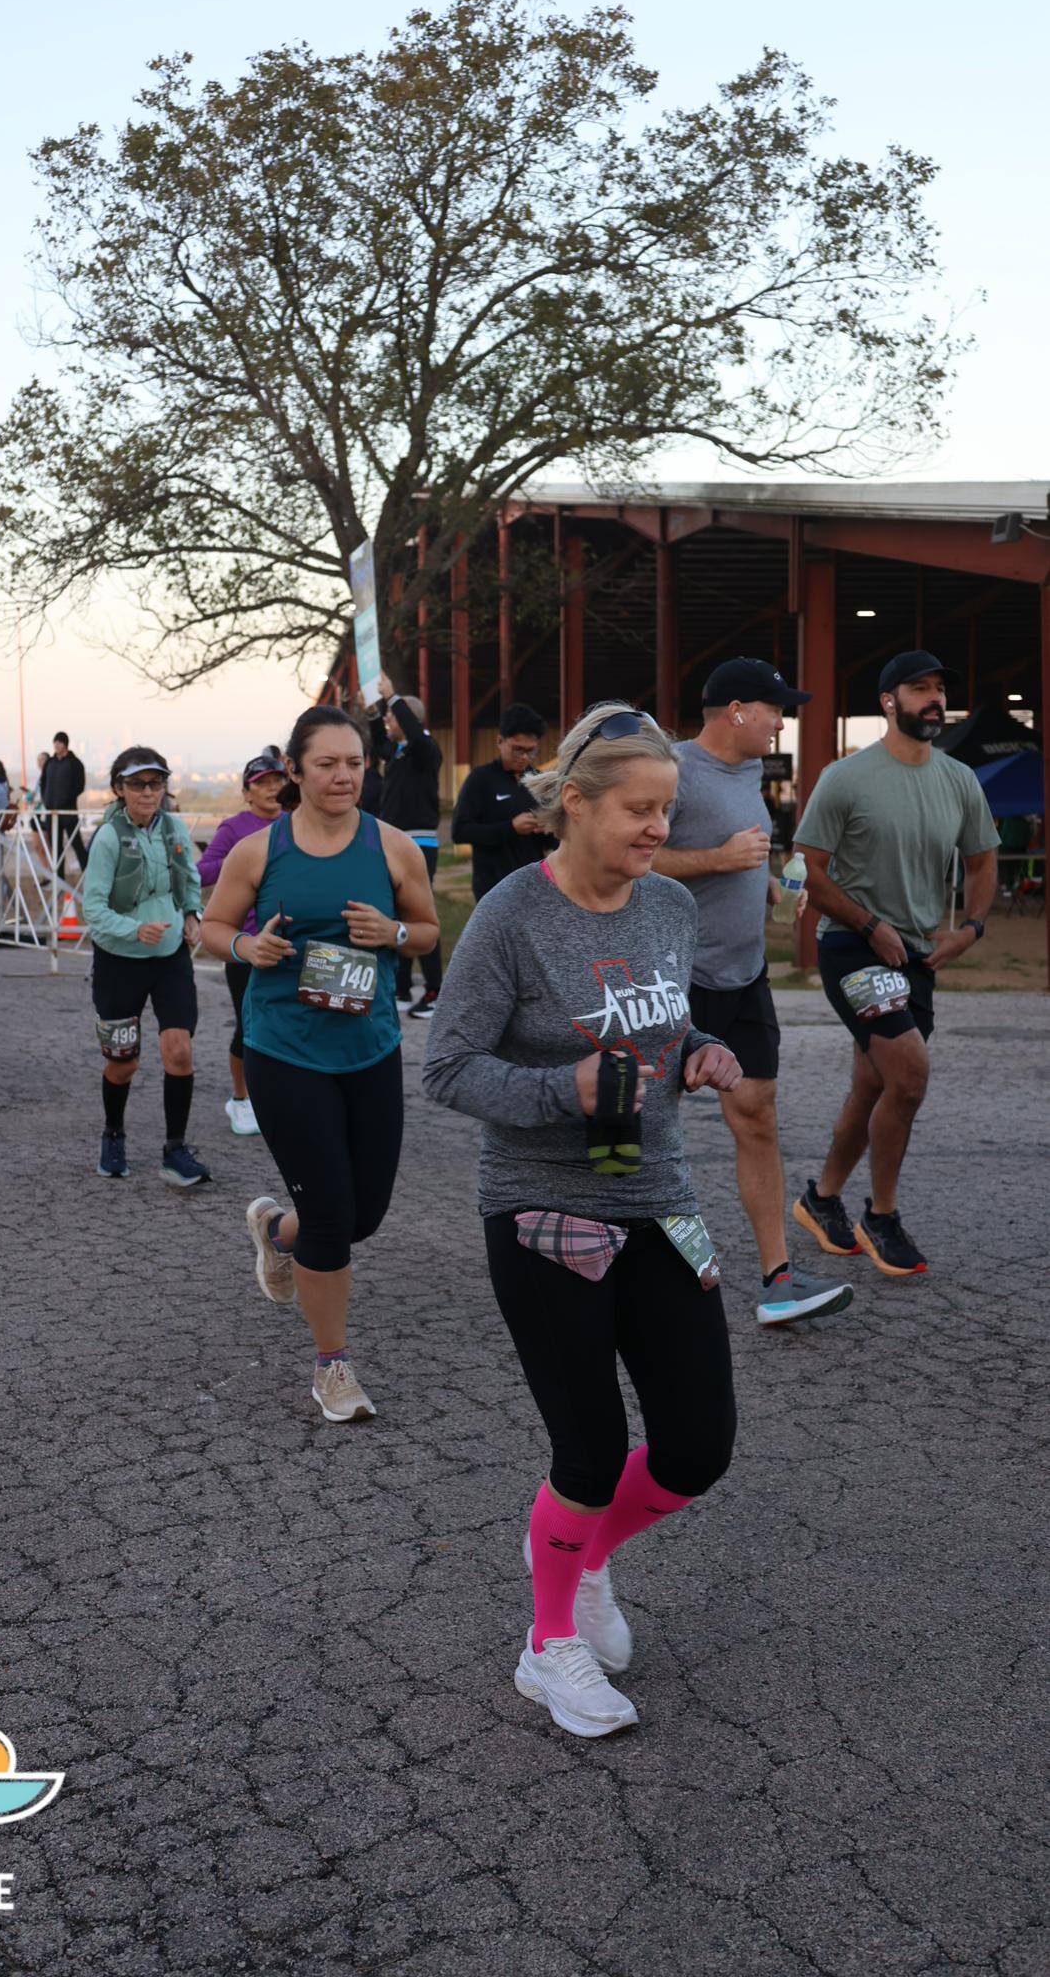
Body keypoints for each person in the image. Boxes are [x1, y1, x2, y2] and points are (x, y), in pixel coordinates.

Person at [423, 701, 742, 1738]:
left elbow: (664, 1021)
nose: (658, 828)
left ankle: (584, 1555)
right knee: (590, 1450)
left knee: (697, 1445)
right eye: (638, 809)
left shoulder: (668, 907)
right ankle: (547, 1641)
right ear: (575, 803)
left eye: (666, 809)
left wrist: (701, 1051)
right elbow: (447, 1067)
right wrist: (561, 1089)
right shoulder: (512, 915)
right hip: (542, 1207)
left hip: (658, 1197)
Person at [201, 706, 440, 1422]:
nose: (344, 776)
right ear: (295, 771)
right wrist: (247, 948)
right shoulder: (259, 852)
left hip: (369, 1050)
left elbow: (428, 931)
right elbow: (213, 927)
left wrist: (394, 933)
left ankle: (278, 1232)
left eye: (355, 763)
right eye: (328, 763)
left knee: (363, 1215)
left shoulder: (393, 847)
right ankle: (333, 1367)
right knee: (333, 1218)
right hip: (285, 1051)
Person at [654, 658, 853, 1328]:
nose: (781, 723)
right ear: (737, 710)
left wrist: (766, 886)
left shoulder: (748, 773)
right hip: (678, 977)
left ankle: (778, 1281)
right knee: (646, 1128)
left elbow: (737, 857)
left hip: (744, 974)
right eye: (774, 710)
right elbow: (631, 856)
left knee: (758, 1117)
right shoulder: (672, 770)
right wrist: (717, 860)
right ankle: (619, 1264)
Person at [792, 651, 999, 1279]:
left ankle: (820, 1199)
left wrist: (970, 930)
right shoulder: (845, 778)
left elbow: (982, 861)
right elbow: (805, 869)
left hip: (917, 954)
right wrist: (868, 925)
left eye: (940, 689)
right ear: (889, 701)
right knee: (907, 1074)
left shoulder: (959, 780)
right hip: (853, 945)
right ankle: (880, 1216)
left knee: (874, 1084)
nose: (935, 699)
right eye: (919, 688)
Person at [80, 746, 210, 1188]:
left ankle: (175, 1150)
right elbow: (93, 910)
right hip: (119, 960)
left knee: (179, 1050)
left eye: (156, 783)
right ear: (119, 789)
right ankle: (113, 1135)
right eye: (137, 784)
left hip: (170, 957)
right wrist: (135, 930)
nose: (148, 792)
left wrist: (192, 914)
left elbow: (188, 878)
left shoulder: (173, 827)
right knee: (124, 1064)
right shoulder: (108, 838)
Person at [197, 747, 285, 1136]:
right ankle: (240, 1099)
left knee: (288, 1024)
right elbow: (202, 872)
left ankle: (281, 1096)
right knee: (249, 1027)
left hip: (292, 944)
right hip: (245, 945)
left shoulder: (298, 823)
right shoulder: (234, 829)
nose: (272, 788)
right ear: (247, 793)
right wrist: (240, 859)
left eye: (278, 780)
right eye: (262, 783)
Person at [370, 672, 444, 1018]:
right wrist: (372, 713)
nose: (388, 720)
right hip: (393, 841)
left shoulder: (425, 750)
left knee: (419, 914)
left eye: (392, 716)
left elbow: (416, 736)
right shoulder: (398, 753)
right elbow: (379, 746)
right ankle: (401, 988)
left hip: (419, 842)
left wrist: (393, 696)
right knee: (395, 913)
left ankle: (434, 991)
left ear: (408, 718)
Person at [451, 702, 553, 900]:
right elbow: (460, 831)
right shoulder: (481, 779)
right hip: (492, 887)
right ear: (500, 741)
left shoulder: (539, 781)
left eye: (531, 751)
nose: (524, 757)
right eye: (517, 750)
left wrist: (549, 827)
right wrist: (510, 828)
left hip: (533, 886)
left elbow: (554, 842)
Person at [40, 732, 88, 874]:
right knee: (55, 847)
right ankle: (59, 880)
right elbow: (43, 782)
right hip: (51, 812)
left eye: (59, 742)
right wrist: (46, 800)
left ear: (65, 744)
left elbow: (80, 786)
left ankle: (87, 875)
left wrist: (66, 799)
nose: (56, 745)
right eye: (55, 742)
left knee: (76, 843)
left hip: (68, 811)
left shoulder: (75, 763)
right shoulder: (50, 762)